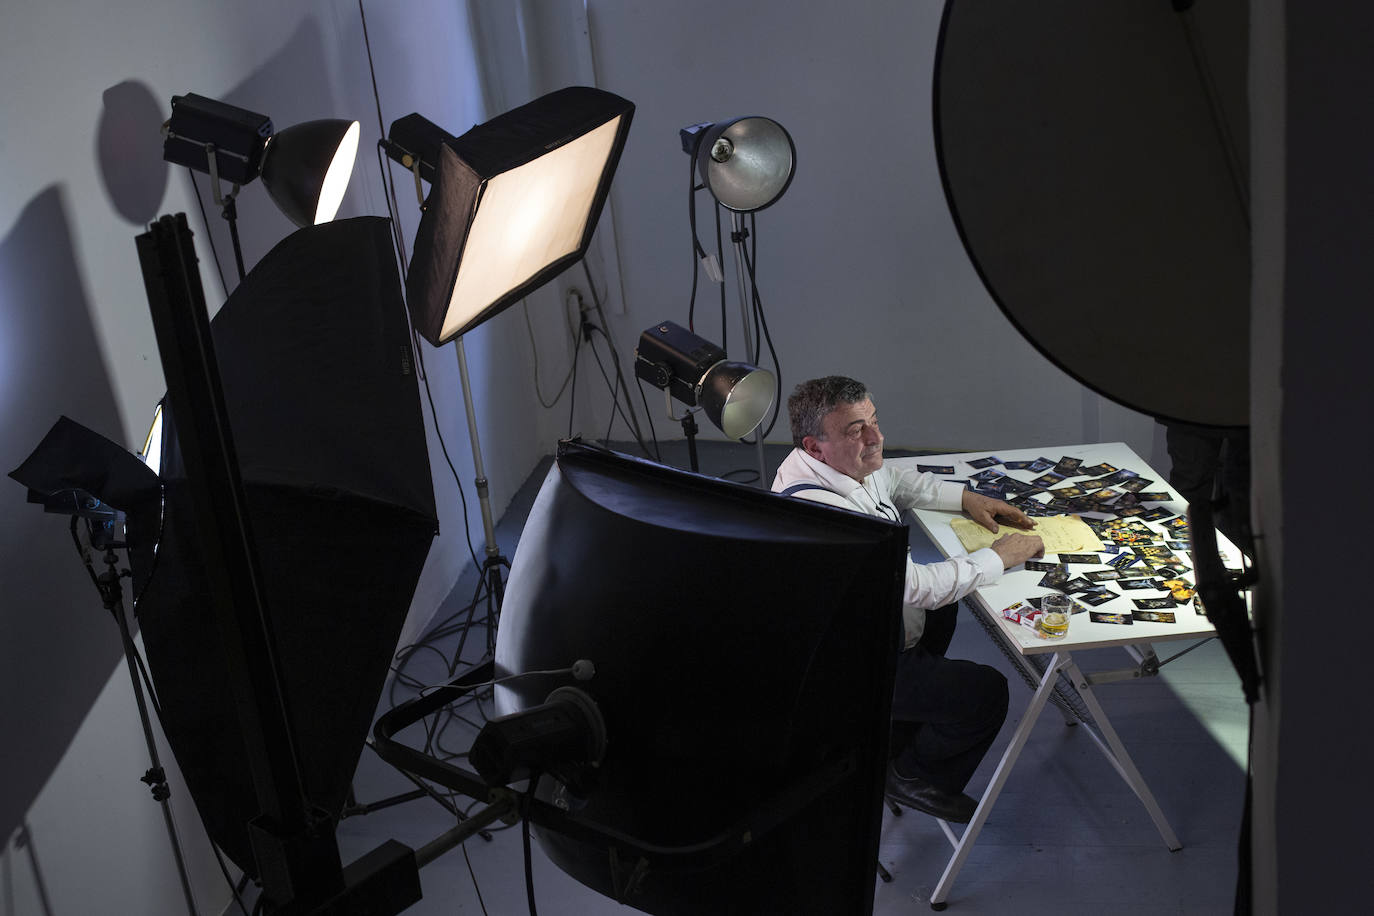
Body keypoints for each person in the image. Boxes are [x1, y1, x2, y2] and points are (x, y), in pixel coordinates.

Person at [772, 376, 1044, 822]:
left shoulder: (835, 464)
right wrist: (997, 556)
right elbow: (917, 585)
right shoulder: (830, 515)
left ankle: (892, 735)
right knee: (985, 692)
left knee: (947, 605)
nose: (876, 439)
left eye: (874, 422)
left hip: (873, 626)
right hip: (846, 668)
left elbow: (894, 479)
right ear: (815, 446)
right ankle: (913, 775)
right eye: (855, 431)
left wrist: (966, 497)